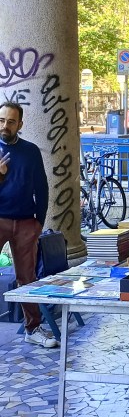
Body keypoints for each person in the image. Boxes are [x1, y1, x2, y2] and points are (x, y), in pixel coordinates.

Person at [0, 102, 55, 348]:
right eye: (1, 120)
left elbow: (41, 187)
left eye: (11, 121)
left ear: (20, 125)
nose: (5, 126)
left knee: (28, 278)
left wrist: (39, 222)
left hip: (25, 223)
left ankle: (32, 328)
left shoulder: (31, 151)